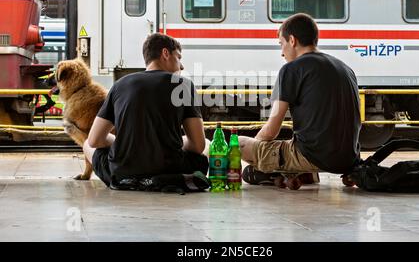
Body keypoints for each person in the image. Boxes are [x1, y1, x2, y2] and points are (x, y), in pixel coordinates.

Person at [239, 13, 361, 184]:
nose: (281, 53)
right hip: (348, 159)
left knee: (238, 144)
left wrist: (257, 152)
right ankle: (303, 173)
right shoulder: (346, 69)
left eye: (281, 44)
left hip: (311, 156)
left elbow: (271, 130)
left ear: (292, 40)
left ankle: (292, 171)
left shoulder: (291, 69)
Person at [83, 33, 210, 191]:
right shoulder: (183, 85)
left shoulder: (120, 85)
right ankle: (157, 180)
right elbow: (198, 145)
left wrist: (124, 143)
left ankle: (132, 180)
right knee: (207, 145)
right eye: (179, 57)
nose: (182, 66)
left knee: (86, 144)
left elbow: (94, 140)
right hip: (171, 171)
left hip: (121, 174)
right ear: (165, 53)